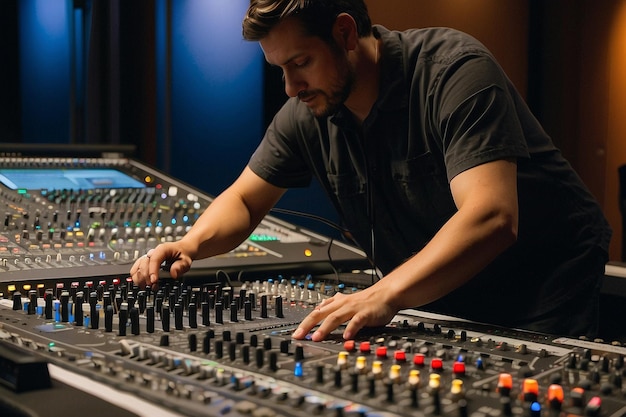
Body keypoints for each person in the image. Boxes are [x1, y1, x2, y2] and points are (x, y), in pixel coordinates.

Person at [131, 0, 611, 341]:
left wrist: (387, 293)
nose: (290, 86)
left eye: (300, 63)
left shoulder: (455, 70)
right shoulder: (307, 111)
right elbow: (244, 199)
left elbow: (491, 217)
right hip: (439, 289)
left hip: (540, 281)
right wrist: (191, 244)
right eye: (279, 69)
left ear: (344, 33)